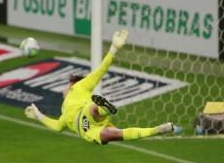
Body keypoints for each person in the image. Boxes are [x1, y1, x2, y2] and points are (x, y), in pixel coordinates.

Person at [25, 29, 179, 144]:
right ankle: (157, 129)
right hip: (92, 131)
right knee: (116, 134)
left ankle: (102, 108)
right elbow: (57, 126)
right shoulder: (65, 114)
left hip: (84, 115)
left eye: (67, 85)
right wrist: (39, 115)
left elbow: (100, 71)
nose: (64, 90)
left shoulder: (78, 88)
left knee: (91, 109)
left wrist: (113, 49)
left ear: (72, 84)